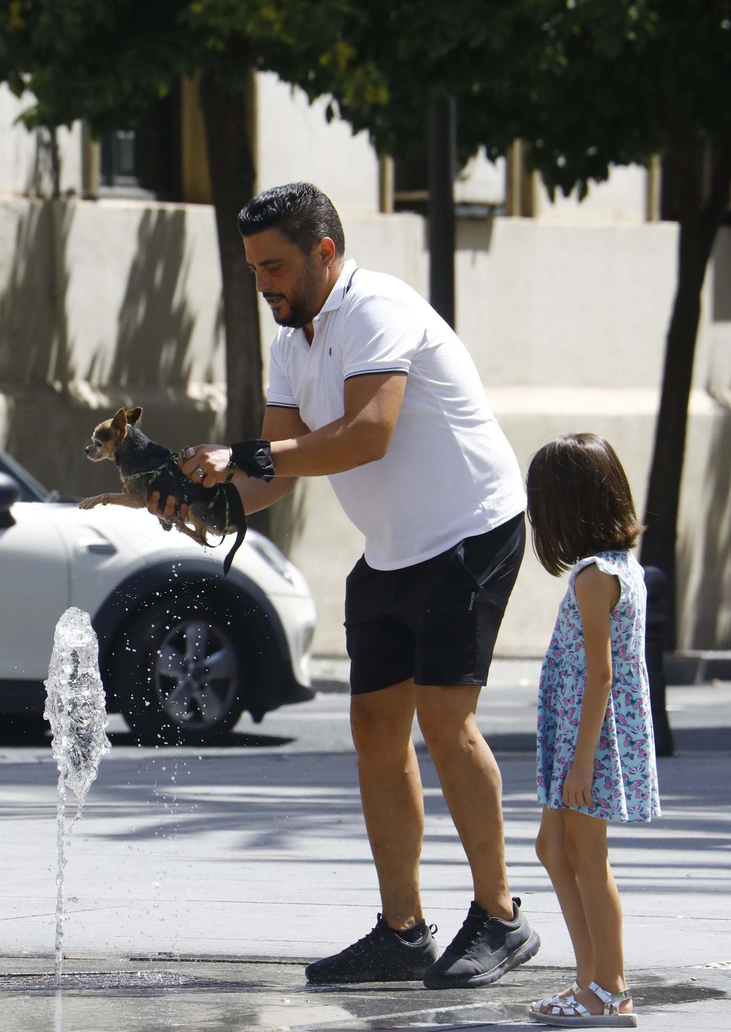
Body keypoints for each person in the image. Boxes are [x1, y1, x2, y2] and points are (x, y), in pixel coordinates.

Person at [157, 182, 538, 987]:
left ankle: (501, 916)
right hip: (392, 550)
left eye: (276, 267)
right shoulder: (293, 340)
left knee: (444, 719)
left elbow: (368, 435)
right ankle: (402, 933)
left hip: (471, 531)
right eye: (254, 269)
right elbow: (275, 473)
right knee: (373, 729)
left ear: (324, 253)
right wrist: (199, 499)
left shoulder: (377, 309)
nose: (263, 285)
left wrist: (248, 459)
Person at [524, 434, 661, 1027]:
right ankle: (590, 983)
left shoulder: (593, 578)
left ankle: (610, 988)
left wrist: (582, 763)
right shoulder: (613, 568)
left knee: (586, 854)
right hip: (580, 736)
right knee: (553, 848)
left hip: (591, 740)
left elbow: (601, 677)